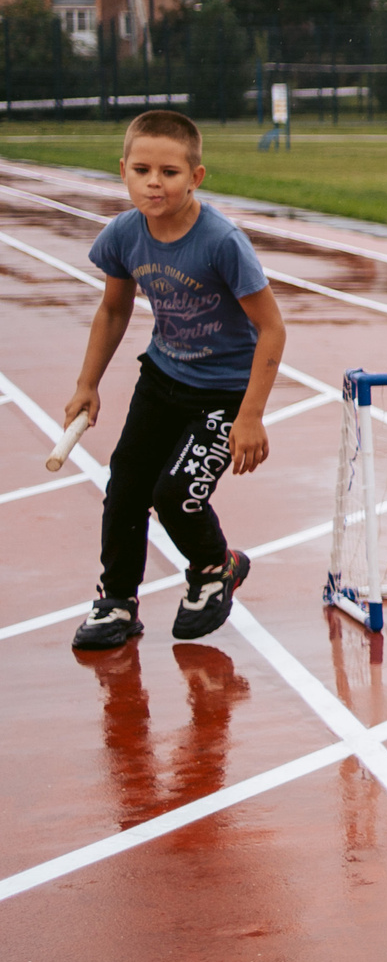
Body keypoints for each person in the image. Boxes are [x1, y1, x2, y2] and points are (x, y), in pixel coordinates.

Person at [63, 110, 288, 651]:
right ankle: (117, 601)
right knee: (125, 489)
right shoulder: (123, 233)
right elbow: (114, 311)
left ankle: (216, 566)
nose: (154, 182)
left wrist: (250, 415)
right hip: (162, 377)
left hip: (222, 392)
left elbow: (272, 329)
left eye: (169, 172)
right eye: (142, 170)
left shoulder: (221, 242)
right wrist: (87, 384)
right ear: (123, 171)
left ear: (196, 177)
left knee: (176, 493)